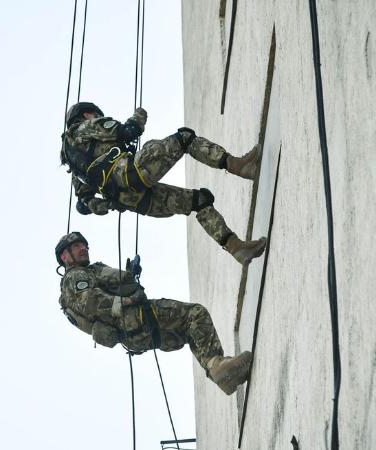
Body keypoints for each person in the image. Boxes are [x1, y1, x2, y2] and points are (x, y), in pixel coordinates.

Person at [61, 101, 267, 264]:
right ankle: (237, 165)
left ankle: (236, 248)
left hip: (134, 201)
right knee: (184, 138)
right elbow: (129, 130)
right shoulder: (84, 127)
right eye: (94, 114)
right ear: (86, 115)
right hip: (132, 173)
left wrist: (100, 204)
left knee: (197, 201)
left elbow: (83, 204)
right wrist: (138, 116)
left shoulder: (74, 162)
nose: (97, 116)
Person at [55, 231, 253, 395]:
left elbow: (107, 291)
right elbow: (92, 302)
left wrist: (128, 276)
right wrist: (129, 299)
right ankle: (218, 366)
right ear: (64, 257)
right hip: (136, 318)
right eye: (75, 247)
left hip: (133, 337)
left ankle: (221, 373)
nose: (83, 249)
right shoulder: (74, 277)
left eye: (84, 245)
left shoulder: (88, 273)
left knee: (189, 331)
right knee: (195, 314)